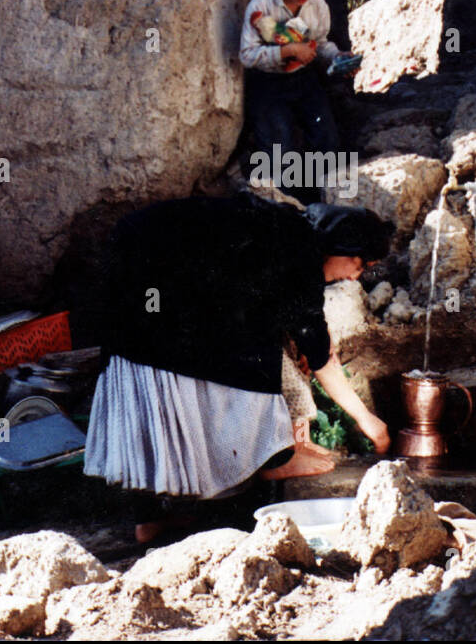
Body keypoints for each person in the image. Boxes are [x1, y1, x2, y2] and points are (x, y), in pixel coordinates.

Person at [82, 192, 392, 542]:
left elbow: (302, 324)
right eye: (360, 265)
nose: (355, 277)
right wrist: (369, 422)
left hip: (133, 276)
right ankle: (275, 461)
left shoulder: (287, 231)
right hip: (152, 279)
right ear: (343, 248)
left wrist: (313, 339)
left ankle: (151, 521)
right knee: (250, 352)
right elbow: (320, 357)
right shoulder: (299, 250)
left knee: (167, 380)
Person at [239, 0, 354, 205]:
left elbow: (322, 43)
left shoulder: (318, 5)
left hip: (303, 79)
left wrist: (338, 58)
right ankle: (285, 210)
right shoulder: (261, 5)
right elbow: (247, 55)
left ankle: (326, 206)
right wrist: (287, 51)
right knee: (279, 148)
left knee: (327, 138)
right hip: (267, 83)